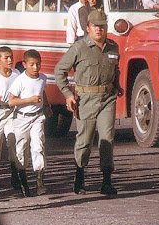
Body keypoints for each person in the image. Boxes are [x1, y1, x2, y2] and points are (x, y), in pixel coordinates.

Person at [54, 10, 123, 198]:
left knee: (107, 138)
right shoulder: (79, 47)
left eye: (102, 26)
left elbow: (115, 69)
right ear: (88, 28)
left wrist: (117, 86)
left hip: (107, 98)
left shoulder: (112, 47)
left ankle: (106, 180)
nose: (99, 29)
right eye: (95, 26)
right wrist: (68, 95)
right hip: (86, 100)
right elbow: (59, 71)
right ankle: (79, 176)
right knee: (84, 140)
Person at [8, 49, 50, 196]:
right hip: (22, 118)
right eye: (32, 64)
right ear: (25, 64)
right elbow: (11, 101)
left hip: (37, 117)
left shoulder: (42, 78)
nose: (35, 68)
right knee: (22, 148)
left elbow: (42, 92)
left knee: (38, 145)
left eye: (38, 64)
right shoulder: (20, 80)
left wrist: (46, 105)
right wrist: (29, 100)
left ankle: (40, 181)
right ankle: (22, 179)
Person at [0, 46, 20, 193]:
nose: (10, 60)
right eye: (6, 58)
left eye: (11, 57)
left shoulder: (16, 74)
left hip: (11, 112)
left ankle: (15, 174)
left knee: (13, 140)